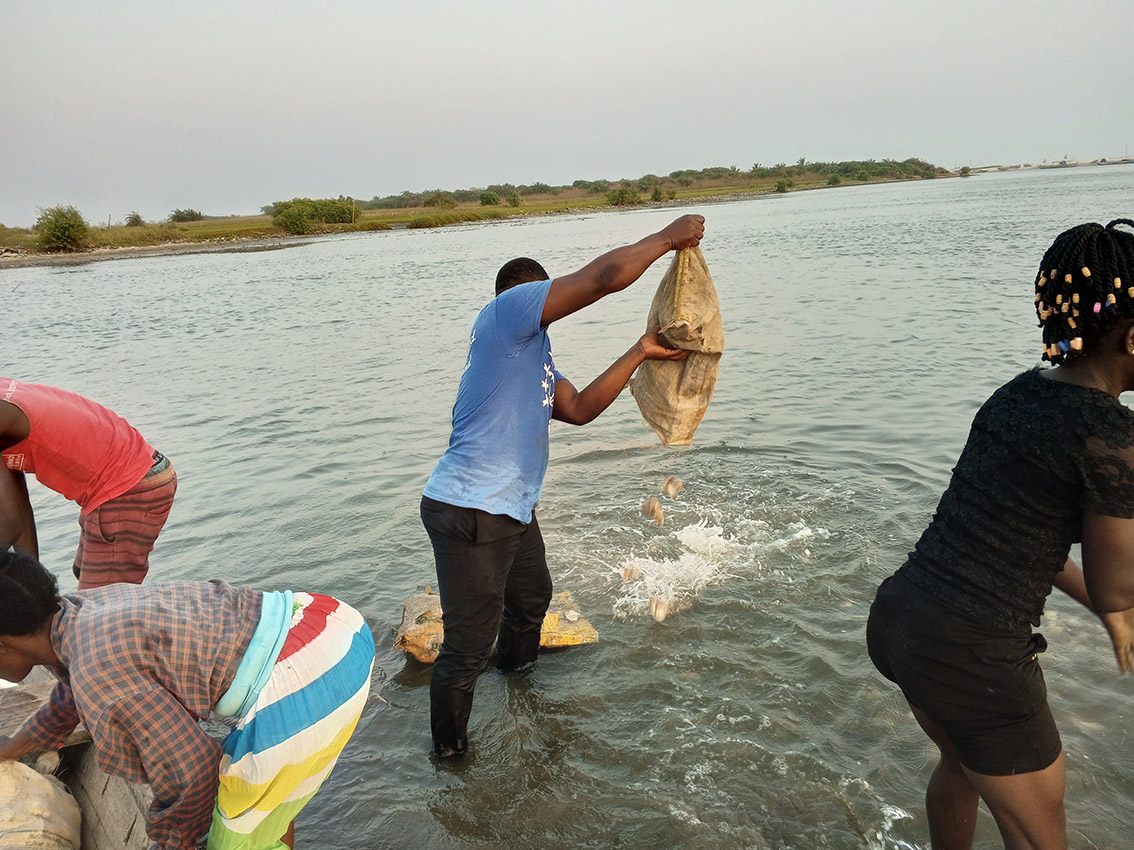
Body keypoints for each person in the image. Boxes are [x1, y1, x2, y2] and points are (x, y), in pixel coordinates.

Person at [866, 219, 1134, 850]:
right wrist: (1117, 614)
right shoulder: (1112, 437)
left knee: (960, 764)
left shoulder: (1018, 394)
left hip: (901, 619)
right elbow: (1116, 584)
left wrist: (1109, 608)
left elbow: (1021, 543)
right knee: (1044, 838)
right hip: (974, 655)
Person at [420, 214, 705, 758]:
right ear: (526, 297)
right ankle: (450, 759)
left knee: (530, 601)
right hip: (471, 509)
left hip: (510, 511)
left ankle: (518, 687)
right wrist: (668, 238)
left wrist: (641, 350)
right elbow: (602, 278)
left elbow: (579, 410)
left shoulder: (536, 359)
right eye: (543, 296)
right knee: (467, 647)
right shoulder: (503, 314)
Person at [0, 551, 374, 850]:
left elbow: (194, 773)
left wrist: (171, 841)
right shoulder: (76, 611)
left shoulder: (97, 669)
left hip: (308, 673)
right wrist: (12, 749)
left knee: (231, 841)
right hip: (326, 620)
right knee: (260, 809)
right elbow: (69, 698)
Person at [0, 377, 177, 589]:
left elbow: (10, 519)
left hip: (126, 488)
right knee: (84, 573)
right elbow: (16, 509)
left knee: (99, 603)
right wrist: (34, 585)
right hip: (132, 475)